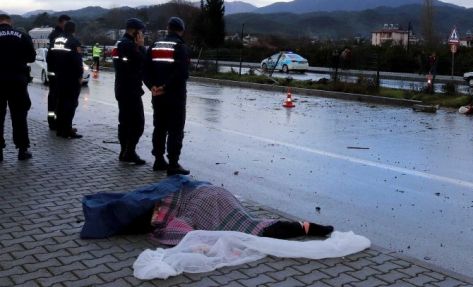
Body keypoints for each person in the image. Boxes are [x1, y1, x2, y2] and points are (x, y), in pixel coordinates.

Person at [80, 176, 334, 244]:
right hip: (218, 197)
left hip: (215, 200)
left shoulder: (176, 212)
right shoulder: (173, 207)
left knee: (255, 228)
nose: (156, 220)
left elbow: (182, 230)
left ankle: (305, 227)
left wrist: (198, 245)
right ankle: (305, 227)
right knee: (256, 226)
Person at [144, 17, 190, 176]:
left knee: (160, 127)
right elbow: (182, 73)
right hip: (175, 96)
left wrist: (152, 87)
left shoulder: (154, 46)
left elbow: (146, 69)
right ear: (181, 30)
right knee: (175, 130)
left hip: (157, 96)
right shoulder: (180, 46)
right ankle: (173, 164)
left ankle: (158, 160)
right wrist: (166, 87)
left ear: (168, 28)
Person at [0, 14, 36, 161]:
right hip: (17, 81)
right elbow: (32, 57)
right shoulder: (22, 36)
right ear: (10, 22)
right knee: (19, 116)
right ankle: (22, 149)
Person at [113, 18, 147, 165]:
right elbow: (143, 61)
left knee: (124, 122)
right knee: (137, 123)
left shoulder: (120, 43)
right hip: (131, 89)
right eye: (141, 32)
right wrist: (141, 46)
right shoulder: (129, 45)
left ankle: (124, 151)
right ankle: (130, 152)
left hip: (121, 87)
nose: (142, 35)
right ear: (134, 31)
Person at [53, 21, 84, 139]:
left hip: (60, 76)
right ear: (74, 30)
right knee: (71, 104)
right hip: (71, 78)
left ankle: (60, 129)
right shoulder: (74, 41)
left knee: (60, 103)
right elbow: (77, 61)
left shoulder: (58, 40)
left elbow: (52, 56)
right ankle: (67, 130)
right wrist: (80, 75)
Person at [46, 14, 71, 130]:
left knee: (56, 97)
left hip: (55, 71)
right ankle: (54, 122)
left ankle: (56, 121)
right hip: (56, 71)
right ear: (61, 22)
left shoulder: (56, 35)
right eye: (67, 23)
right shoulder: (57, 36)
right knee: (56, 97)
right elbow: (55, 55)